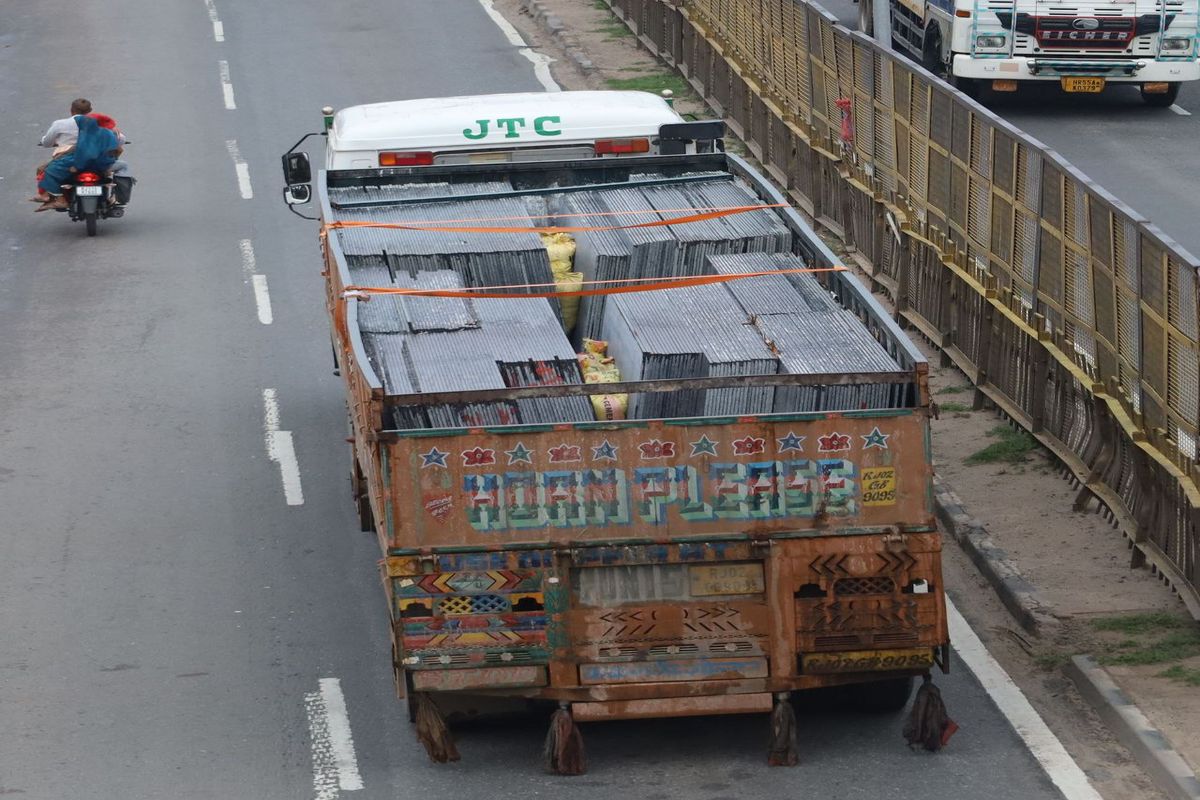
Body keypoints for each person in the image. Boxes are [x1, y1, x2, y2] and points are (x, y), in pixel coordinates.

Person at [35, 116, 120, 212]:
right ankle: (116, 198)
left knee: (50, 171)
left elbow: (85, 154)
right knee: (122, 168)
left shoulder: (85, 135)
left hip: (90, 165)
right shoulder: (109, 133)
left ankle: (56, 198)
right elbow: (117, 149)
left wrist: (76, 166)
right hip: (105, 165)